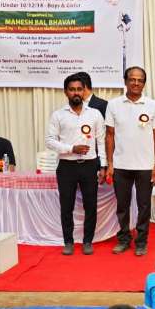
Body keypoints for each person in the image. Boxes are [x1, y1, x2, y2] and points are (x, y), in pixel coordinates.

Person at [46, 73, 106, 255]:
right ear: (66, 92)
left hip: (89, 165)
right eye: (72, 89)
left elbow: (101, 141)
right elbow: (50, 141)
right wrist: (71, 148)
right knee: (67, 206)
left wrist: (103, 166)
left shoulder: (95, 114)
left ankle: (88, 241)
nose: (76, 93)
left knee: (91, 206)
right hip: (67, 166)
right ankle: (68, 242)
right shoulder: (58, 115)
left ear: (84, 90)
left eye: (79, 89)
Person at [105, 66, 155, 256]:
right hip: (120, 165)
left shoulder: (153, 105)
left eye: (140, 80)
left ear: (144, 83)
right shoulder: (113, 105)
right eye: (132, 79)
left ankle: (141, 242)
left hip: (145, 166)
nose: (136, 83)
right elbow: (109, 136)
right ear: (125, 81)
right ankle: (123, 239)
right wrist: (110, 164)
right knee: (122, 206)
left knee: (144, 206)